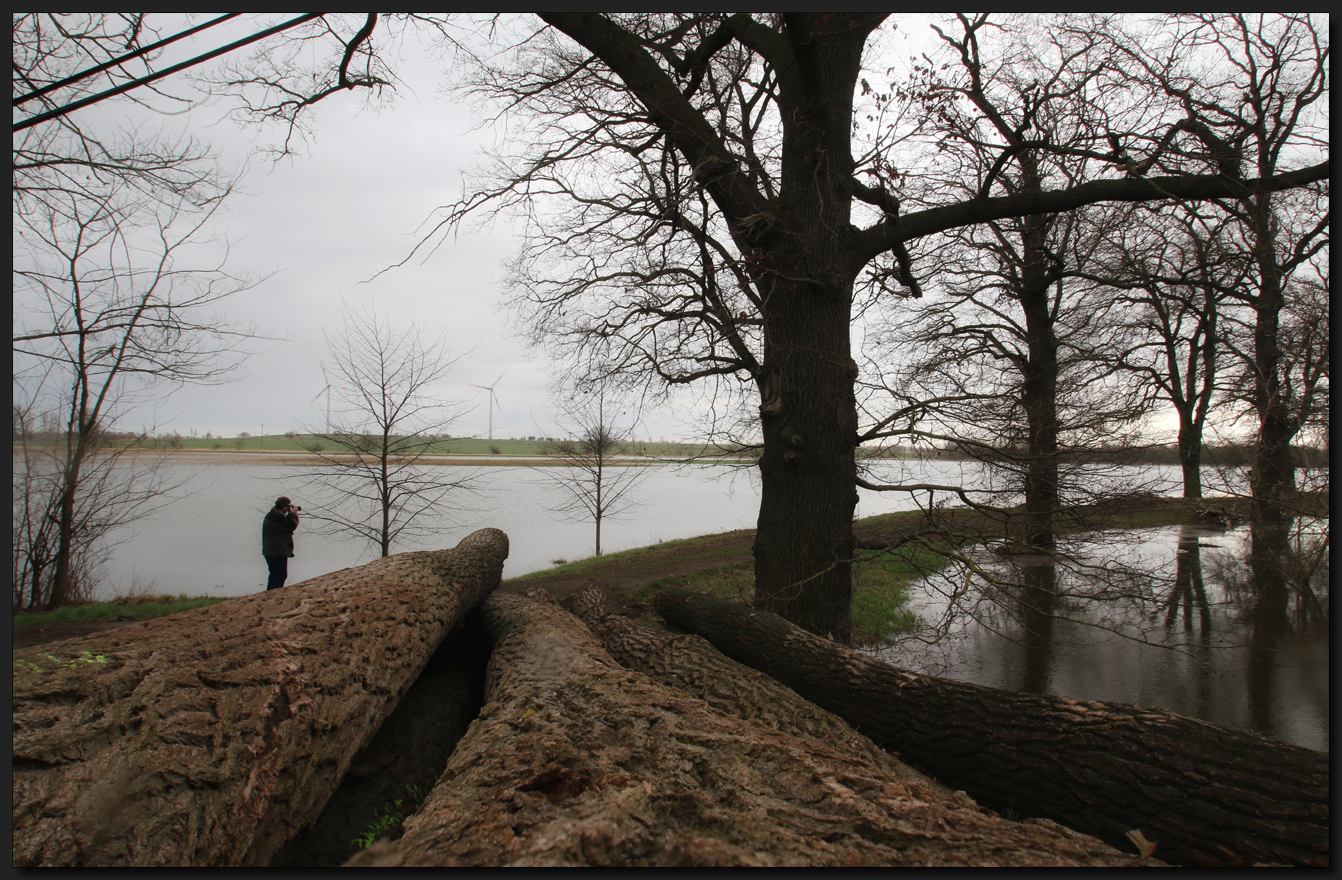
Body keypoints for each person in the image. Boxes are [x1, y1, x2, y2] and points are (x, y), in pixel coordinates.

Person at [262, 496, 300, 591]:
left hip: (271, 551)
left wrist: (290, 515)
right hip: (277, 552)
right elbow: (291, 525)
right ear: (284, 507)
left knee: (275, 575)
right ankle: (273, 595)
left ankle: (269, 594)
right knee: (280, 575)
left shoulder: (273, 515)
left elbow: (286, 524)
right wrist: (293, 514)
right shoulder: (276, 517)